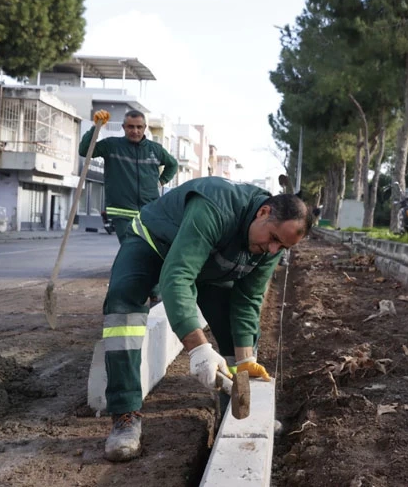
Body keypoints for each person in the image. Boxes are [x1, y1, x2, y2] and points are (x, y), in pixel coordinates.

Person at [100, 176, 314, 462]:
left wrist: (245, 359)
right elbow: (177, 277)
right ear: (264, 212)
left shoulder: (270, 247)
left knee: (234, 330)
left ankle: (237, 409)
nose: (274, 250)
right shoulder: (215, 207)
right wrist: (199, 348)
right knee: (122, 306)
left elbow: (248, 299)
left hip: (207, 262)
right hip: (154, 243)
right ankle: (125, 414)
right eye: (274, 239)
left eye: (282, 247)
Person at [79, 110, 178, 244]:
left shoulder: (155, 149)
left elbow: (173, 165)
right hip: (122, 211)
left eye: (139, 127)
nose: (135, 131)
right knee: (131, 246)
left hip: (149, 210)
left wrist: (161, 181)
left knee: (151, 249)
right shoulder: (111, 145)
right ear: (123, 127)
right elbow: (85, 150)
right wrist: (95, 127)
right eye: (131, 127)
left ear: (145, 128)